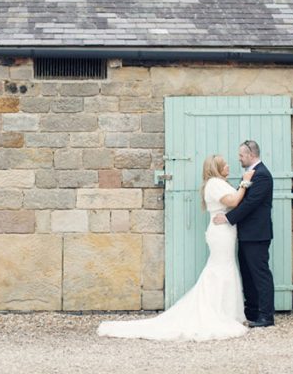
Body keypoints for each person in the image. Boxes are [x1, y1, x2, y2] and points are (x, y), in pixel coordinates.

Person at [97, 154, 255, 341]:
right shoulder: (214, 183)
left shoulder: (218, 182)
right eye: (225, 164)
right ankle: (216, 310)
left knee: (225, 266)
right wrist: (245, 183)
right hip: (221, 232)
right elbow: (233, 201)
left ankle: (226, 311)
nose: (229, 166)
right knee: (221, 267)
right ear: (217, 168)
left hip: (225, 230)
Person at [213, 140, 275, 327]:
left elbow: (250, 204)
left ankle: (266, 316)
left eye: (241, 155)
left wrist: (228, 218)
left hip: (257, 234)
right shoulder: (252, 174)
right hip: (247, 234)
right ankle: (252, 313)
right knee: (248, 275)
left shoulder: (262, 175)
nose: (239, 158)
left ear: (250, 154)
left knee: (260, 275)